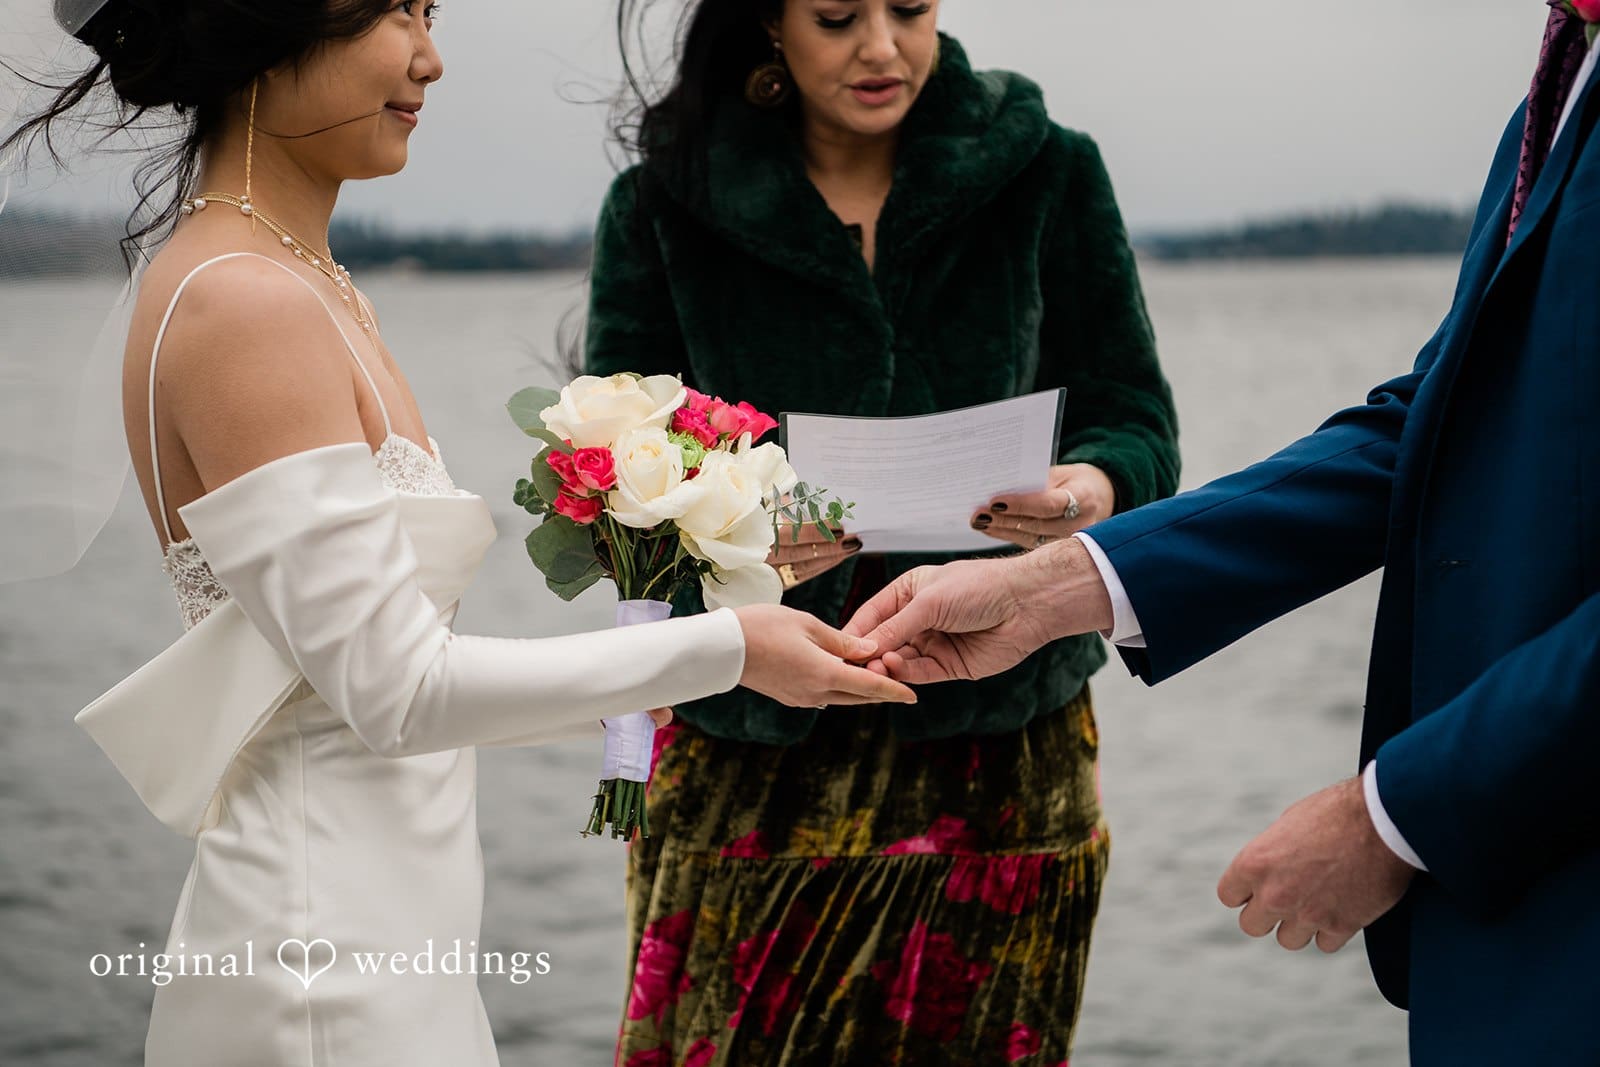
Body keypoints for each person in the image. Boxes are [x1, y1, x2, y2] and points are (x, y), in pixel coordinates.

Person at [1, 2, 913, 1063]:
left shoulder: (306, 282)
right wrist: (732, 651)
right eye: (394, 12)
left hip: (395, 921)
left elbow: (375, 682)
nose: (431, 59)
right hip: (324, 951)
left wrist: (705, 623)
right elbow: (397, 693)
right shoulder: (244, 302)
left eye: (430, 13)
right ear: (261, 27)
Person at [846, 4, 1600, 1062]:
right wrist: (1050, 588)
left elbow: (1133, 414)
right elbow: (1433, 421)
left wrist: (1400, 810)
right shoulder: (1560, 86)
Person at [585, 1, 1178, 1061]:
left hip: (1004, 743)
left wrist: (1082, 490)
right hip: (753, 750)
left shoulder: (1047, 171)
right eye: (835, 15)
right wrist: (746, 550)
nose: (881, 46)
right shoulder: (661, 205)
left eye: (910, 8)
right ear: (769, 21)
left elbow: (1133, 417)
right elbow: (616, 489)